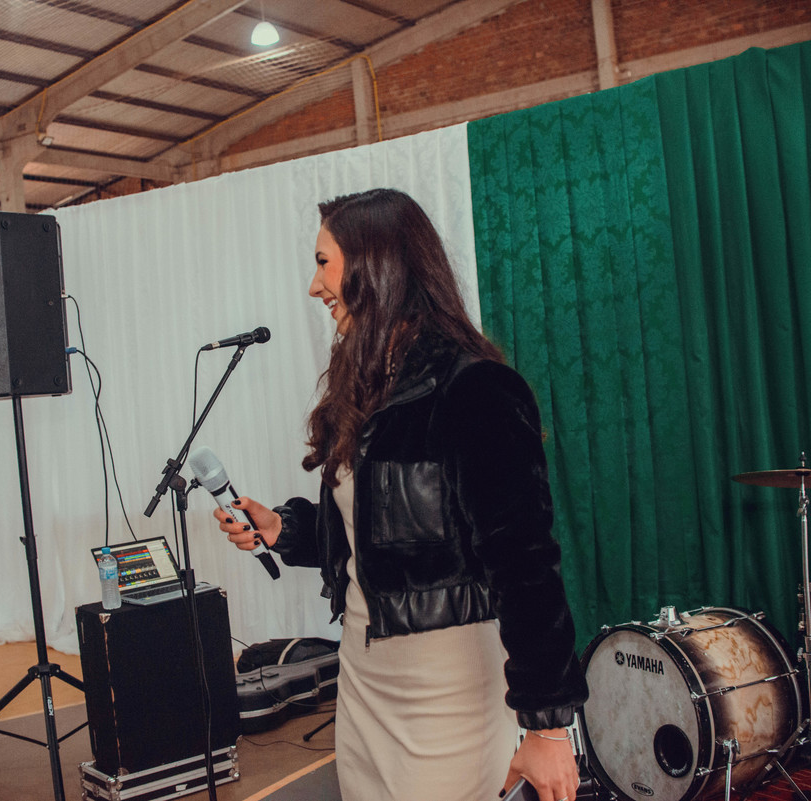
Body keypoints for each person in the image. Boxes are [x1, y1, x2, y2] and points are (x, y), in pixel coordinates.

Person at [214, 188, 588, 801]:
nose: (314, 286)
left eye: (323, 263)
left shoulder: (477, 391)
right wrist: (284, 530)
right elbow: (375, 533)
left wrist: (547, 728)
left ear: (376, 265)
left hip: (447, 693)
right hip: (365, 682)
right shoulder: (364, 390)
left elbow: (526, 565)